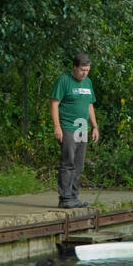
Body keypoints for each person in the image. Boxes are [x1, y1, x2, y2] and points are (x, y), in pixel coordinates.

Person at [50, 52, 98, 209]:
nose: (85, 73)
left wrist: (95, 126)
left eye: (87, 70)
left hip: (82, 126)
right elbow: (54, 103)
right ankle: (65, 197)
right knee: (68, 161)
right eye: (82, 69)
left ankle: (73, 196)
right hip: (68, 126)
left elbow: (90, 105)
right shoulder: (64, 81)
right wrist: (57, 126)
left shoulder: (88, 83)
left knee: (79, 163)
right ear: (75, 67)